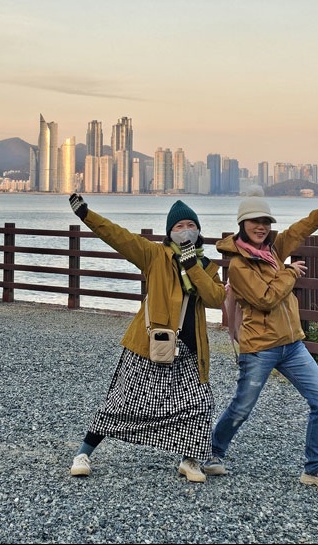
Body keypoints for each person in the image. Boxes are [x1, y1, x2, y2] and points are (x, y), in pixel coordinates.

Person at [66, 192, 227, 482]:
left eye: (190, 225)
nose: (185, 230)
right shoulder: (154, 256)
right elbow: (119, 237)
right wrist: (86, 215)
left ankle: (189, 461)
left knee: (200, 404)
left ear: (199, 231)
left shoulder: (207, 268)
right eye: (178, 227)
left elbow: (216, 298)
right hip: (151, 345)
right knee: (123, 402)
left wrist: (193, 267)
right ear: (169, 233)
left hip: (190, 350)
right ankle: (83, 453)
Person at [207, 172, 318, 490]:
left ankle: (314, 468)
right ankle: (213, 452)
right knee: (242, 407)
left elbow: (306, 224)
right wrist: (289, 272)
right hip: (260, 347)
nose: (262, 227)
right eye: (255, 221)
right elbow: (266, 298)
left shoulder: (274, 249)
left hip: (292, 344)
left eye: (266, 221)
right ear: (242, 224)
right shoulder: (239, 266)